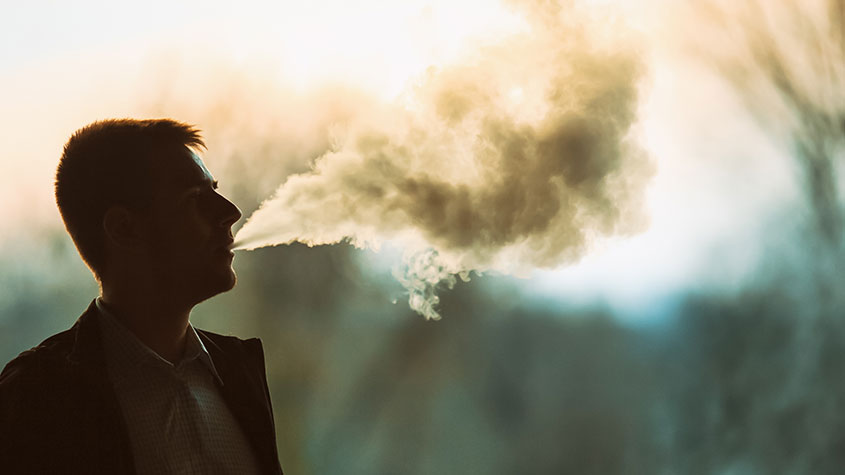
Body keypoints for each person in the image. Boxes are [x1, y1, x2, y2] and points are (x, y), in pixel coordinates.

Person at [0, 119, 283, 474]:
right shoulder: (37, 396)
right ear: (123, 228)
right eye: (195, 197)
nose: (230, 212)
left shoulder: (240, 373)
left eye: (215, 189)